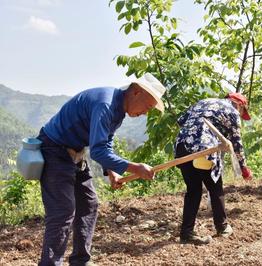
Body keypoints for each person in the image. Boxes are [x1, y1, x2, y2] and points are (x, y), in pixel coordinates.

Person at [36, 73, 166, 266]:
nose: (146, 113)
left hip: (75, 152)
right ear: (136, 92)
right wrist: (134, 168)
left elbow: (106, 141)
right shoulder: (105, 104)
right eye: (147, 107)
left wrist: (111, 170)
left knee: (89, 203)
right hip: (54, 149)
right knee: (63, 212)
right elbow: (97, 151)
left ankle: (81, 261)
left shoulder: (118, 110)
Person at [175, 92, 253, 245]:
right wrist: (244, 168)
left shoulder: (203, 101)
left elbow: (181, 121)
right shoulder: (232, 111)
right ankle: (222, 227)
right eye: (243, 111)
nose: (241, 114)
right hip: (203, 147)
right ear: (240, 105)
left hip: (182, 145)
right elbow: (236, 143)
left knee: (193, 190)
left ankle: (186, 233)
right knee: (215, 188)